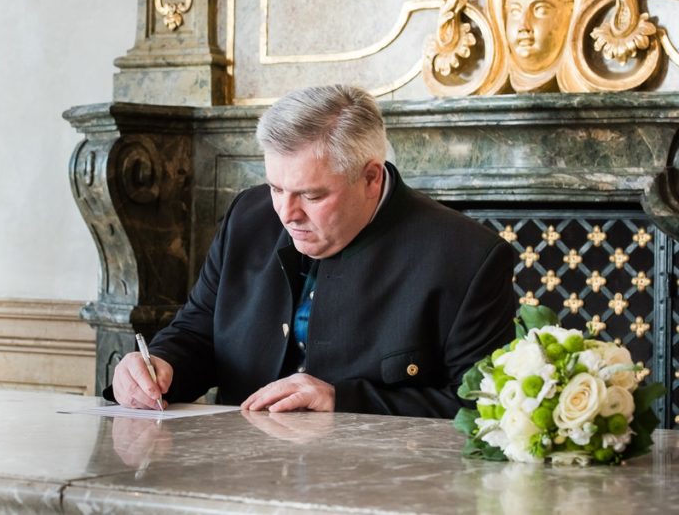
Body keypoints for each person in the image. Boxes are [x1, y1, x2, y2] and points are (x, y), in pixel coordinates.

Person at [109, 84, 515, 418]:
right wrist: (158, 367)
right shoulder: (248, 216)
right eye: (276, 188)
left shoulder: (467, 256)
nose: (287, 214)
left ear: (371, 178)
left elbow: (484, 408)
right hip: (238, 472)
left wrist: (343, 400)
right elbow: (198, 332)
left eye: (312, 195)